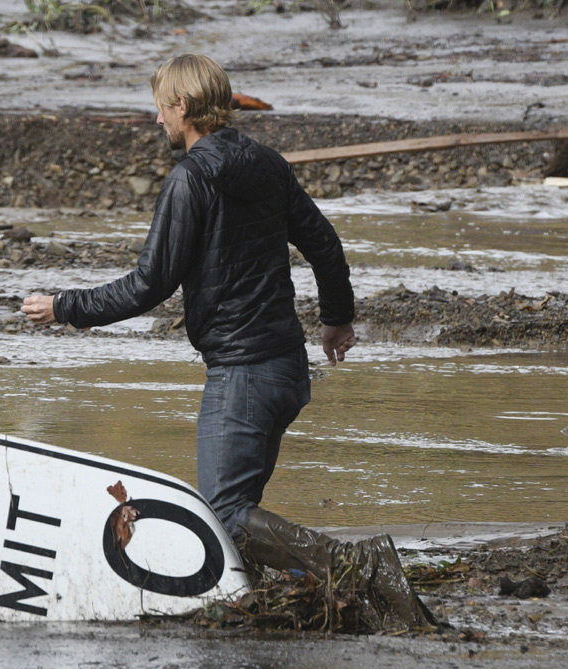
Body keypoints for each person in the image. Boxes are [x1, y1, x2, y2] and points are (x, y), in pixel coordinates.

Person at [22, 53, 357, 541]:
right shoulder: (268, 164)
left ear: (183, 105)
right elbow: (325, 244)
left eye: (161, 108)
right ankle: (279, 592)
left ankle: (339, 561)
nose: (158, 119)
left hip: (243, 374)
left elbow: (149, 284)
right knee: (240, 519)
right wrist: (337, 319)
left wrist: (63, 307)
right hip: (287, 367)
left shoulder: (190, 179)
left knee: (220, 516)